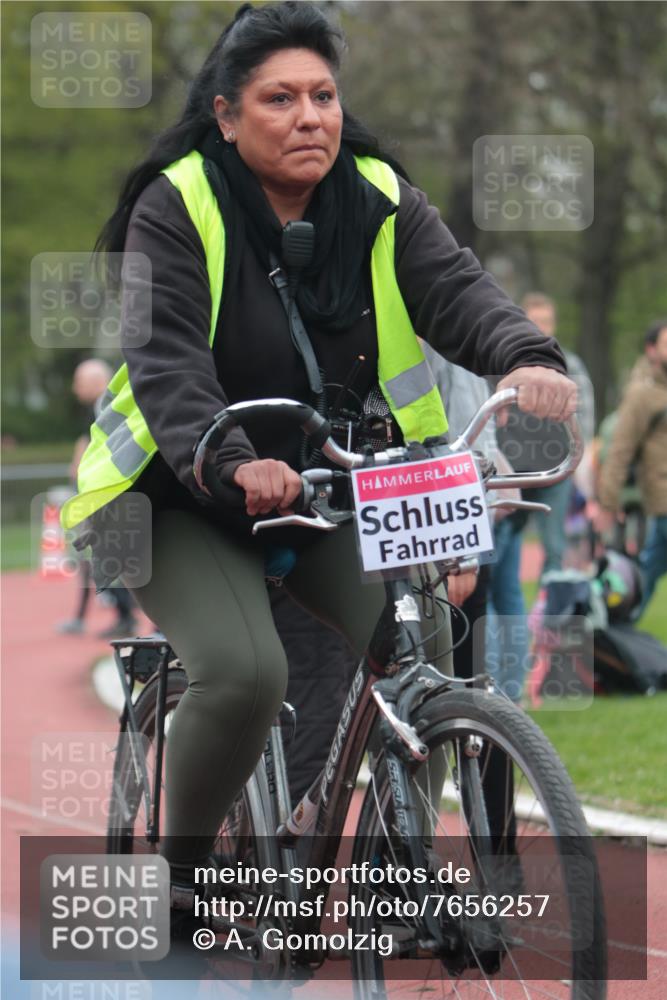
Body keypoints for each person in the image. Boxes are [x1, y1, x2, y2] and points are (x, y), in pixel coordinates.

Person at [60, 2, 576, 940]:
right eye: (280, 99)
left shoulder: (373, 191)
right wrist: (228, 457)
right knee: (247, 672)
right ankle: (180, 884)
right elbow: (166, 358)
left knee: (416, 649)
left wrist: (527, 358)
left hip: (323, 482)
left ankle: (389, 872)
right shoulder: (174, 204)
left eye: (324, 96)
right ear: (225, 115)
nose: (311, 117)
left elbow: (456, 291)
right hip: (169, 493)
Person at [496, 292, 595, 578]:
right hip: (515, 469)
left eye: (547, 321)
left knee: (554, 547)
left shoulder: (570, 365)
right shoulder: (507, 362)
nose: (541, 326)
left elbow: (584, 416)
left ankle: (549, 615)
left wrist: (578, 460)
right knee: (503, 543)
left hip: (556, 467)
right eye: (535, 320)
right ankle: (507, 609)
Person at [56, 359, 138, 637]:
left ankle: (131, 616)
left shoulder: (111, 406)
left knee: (109, 554)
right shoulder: (99, 408)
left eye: (79, 381)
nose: (74, 387)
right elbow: (87, 440)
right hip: (105, 494)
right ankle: (123, 615)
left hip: (113, 494)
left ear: (96, 381)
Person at [595, 320, 667, 613]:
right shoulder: (642, 394)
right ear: (652, 350)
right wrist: (607, 504)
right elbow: (619, 451)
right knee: (643, 576)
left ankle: (612, 638)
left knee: (644, 579)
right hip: (662, 499)